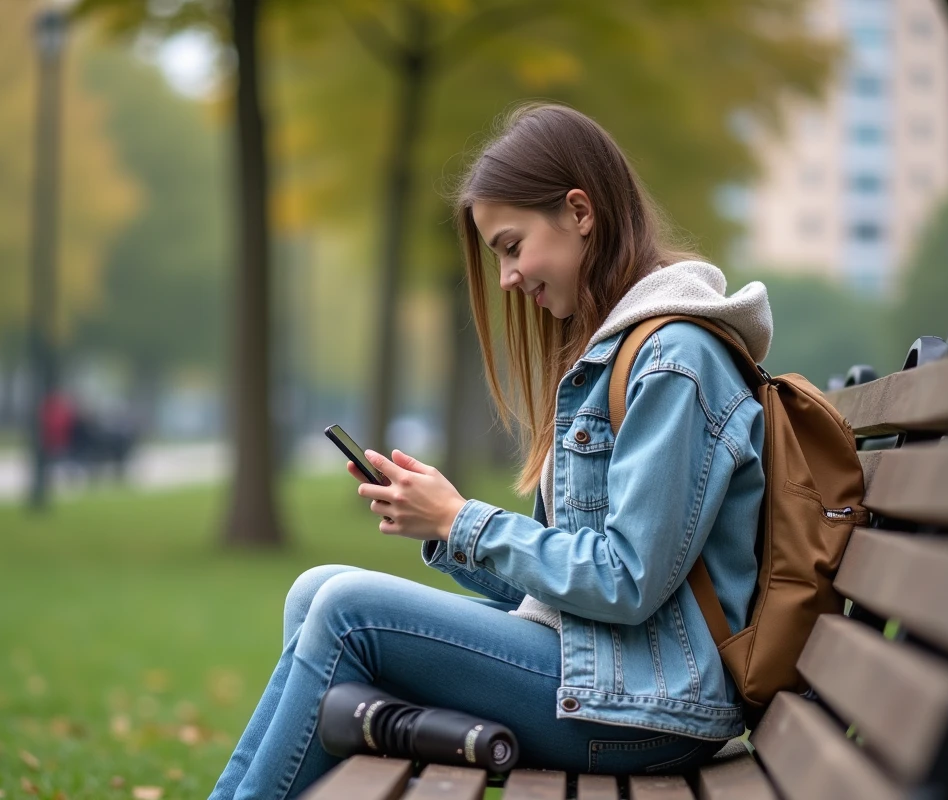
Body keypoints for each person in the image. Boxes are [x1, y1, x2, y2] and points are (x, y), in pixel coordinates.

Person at [209, 103, 771, 799]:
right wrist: (446, 528)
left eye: (511, 246)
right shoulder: (628, 351)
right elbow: (588, 589)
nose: (506, 276)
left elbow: (625, 581)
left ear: (579, 212)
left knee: (348, 610)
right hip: (616, 673)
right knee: (314, 591)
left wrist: (461, 520)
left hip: (655, 707)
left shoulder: (673, 361)